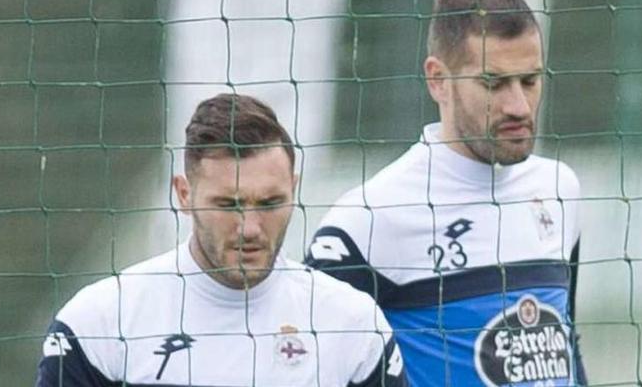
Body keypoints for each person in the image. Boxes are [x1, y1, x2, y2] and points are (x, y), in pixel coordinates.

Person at [306, 0, 586, 386]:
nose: (519, 106)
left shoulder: (560, 189)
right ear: (438, 79)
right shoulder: (369, 219)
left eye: (530, 81)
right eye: (493, 83)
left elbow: (567, 346)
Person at [36, 94, 407, 387]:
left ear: (294, 189)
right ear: (183, 194)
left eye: (270, 202)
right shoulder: (99, 323)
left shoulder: (351, 323)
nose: (250, 227)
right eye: (228, 204)